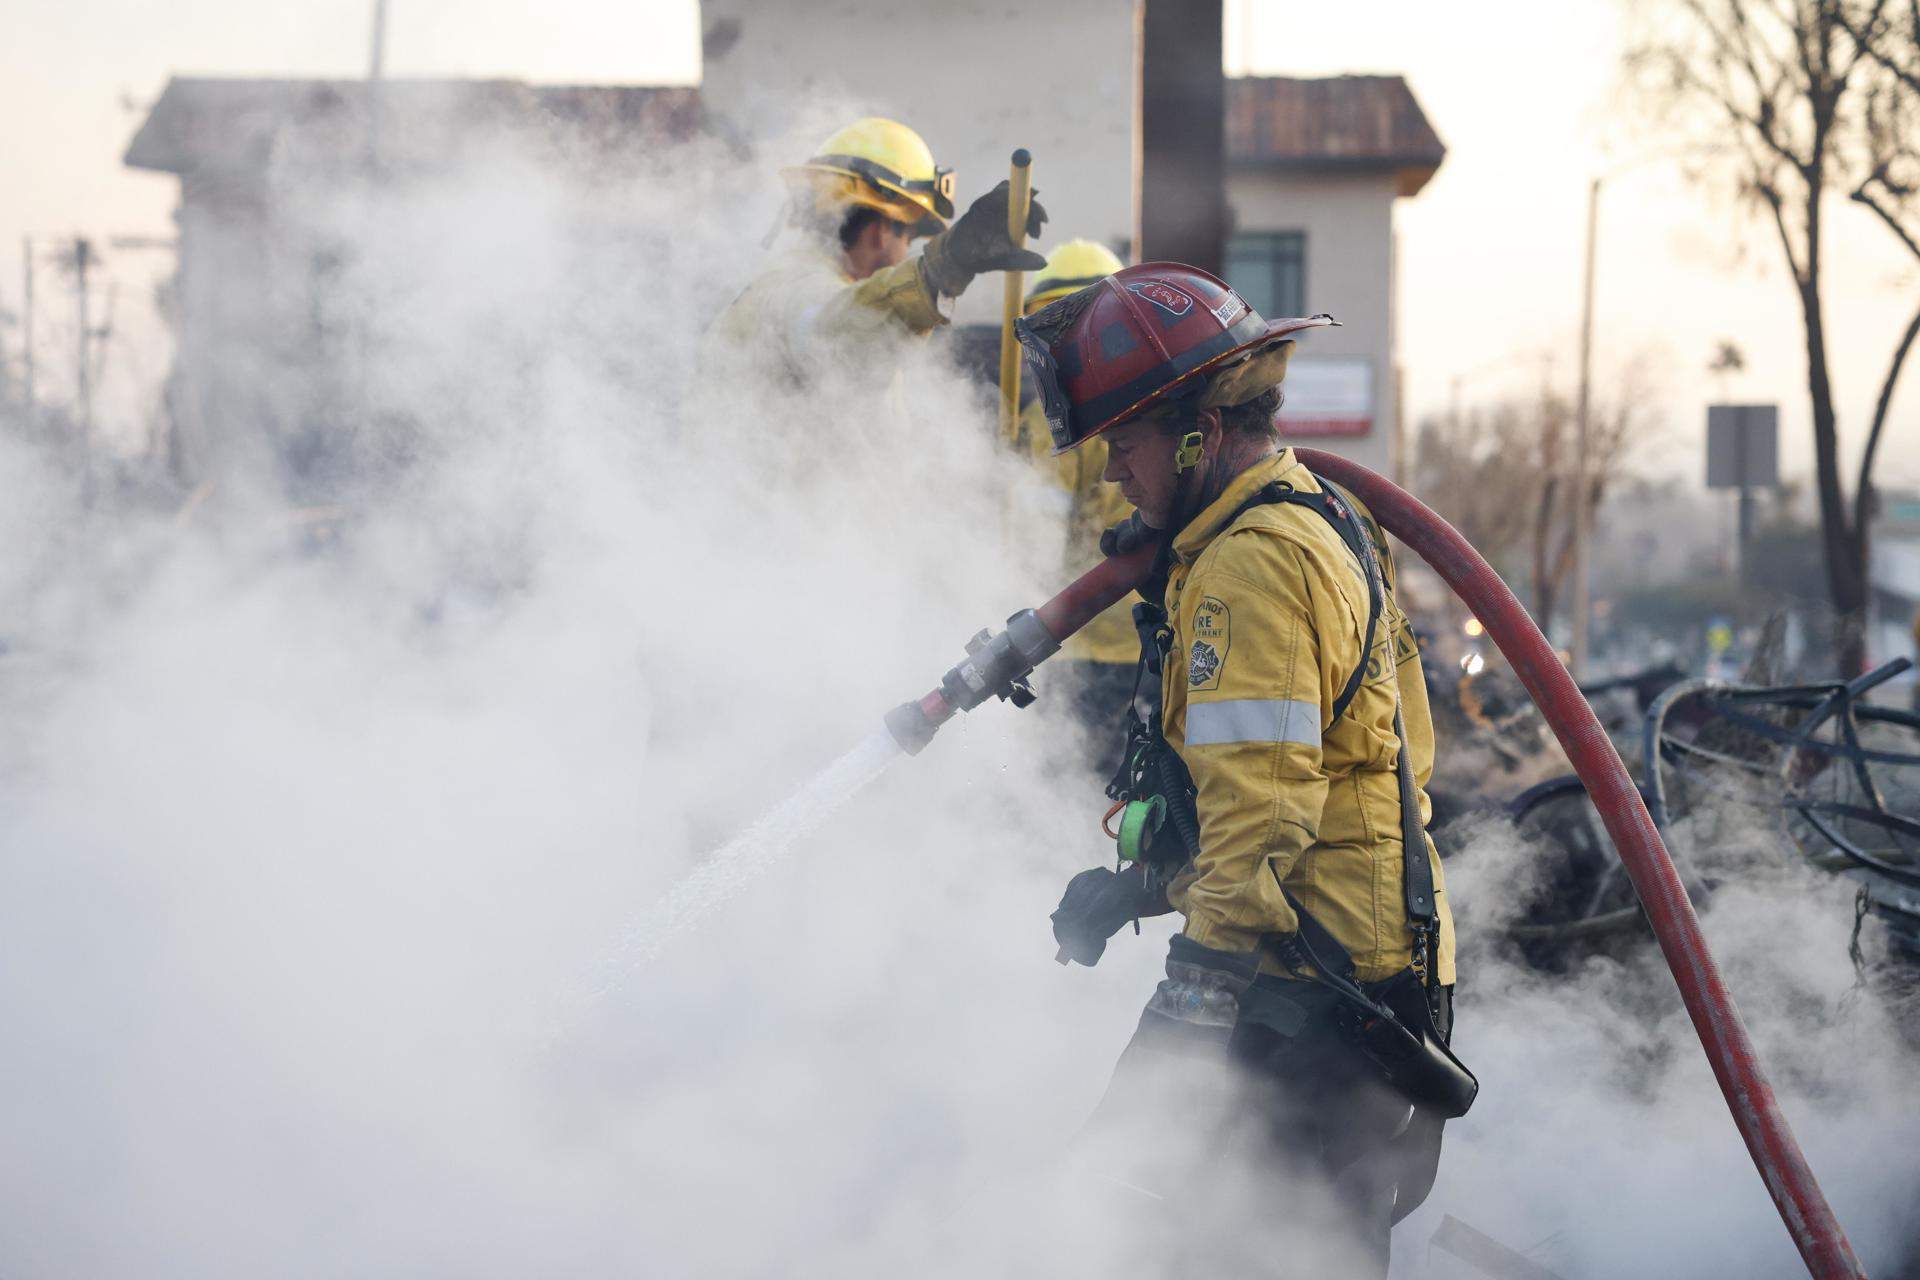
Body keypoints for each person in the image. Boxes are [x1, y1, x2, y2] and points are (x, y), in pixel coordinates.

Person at [1022, 262, 1466, 1276]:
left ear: (1198, 430)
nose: (1112, 474)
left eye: (1123, 443)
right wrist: (1148, 883)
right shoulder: (1319, 515)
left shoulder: (1248, 564)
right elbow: (1383, 764)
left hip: (1312, 999)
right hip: (1363, 973)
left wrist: (1182, 1020)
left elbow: (1264, 827)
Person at [707, 117, 1047, 384]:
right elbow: (834, 334)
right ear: (883, 230)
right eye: (910, 239)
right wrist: (944, 267)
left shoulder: (783, 282)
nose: (907, 254)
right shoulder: (795, 288)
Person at [1005, 239, 1139, 744]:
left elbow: (1036, 533)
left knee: (1082, 796)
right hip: (1149, 636)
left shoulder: (1056, 414)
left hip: (1081, 641)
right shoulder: (1144, 400)